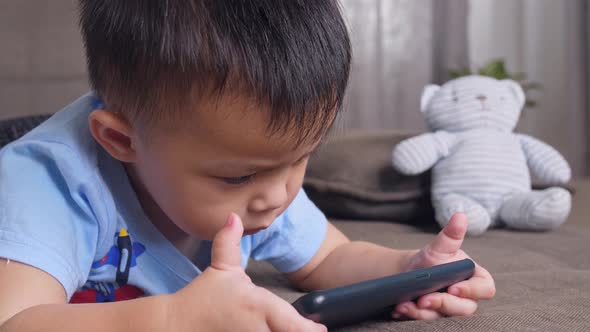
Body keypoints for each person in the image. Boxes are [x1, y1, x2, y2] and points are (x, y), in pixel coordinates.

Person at [0, 1, 495, 331]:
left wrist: (409, 270)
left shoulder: (262, 175)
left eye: (301, 157)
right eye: (239, 175)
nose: (277, 195)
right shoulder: (49, 184)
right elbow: (15, 319)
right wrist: (174, 318)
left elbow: (325, 261)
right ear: (120, 140)